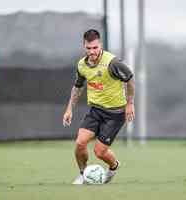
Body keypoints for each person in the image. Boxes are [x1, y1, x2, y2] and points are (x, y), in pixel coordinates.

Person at [63, 29, 135, 184]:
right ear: (84, 46)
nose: (92, 51)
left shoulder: (113, 63)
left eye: (95, 48)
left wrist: (130, 104)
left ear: (100, 45)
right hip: (96, 110)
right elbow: (77, 87)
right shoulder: (82, 65)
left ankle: (114, 166)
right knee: (80, 143)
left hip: (115, 114)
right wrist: (69, 109)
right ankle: (83, 174)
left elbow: (130, 80)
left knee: (99, 152)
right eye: (88, 48)